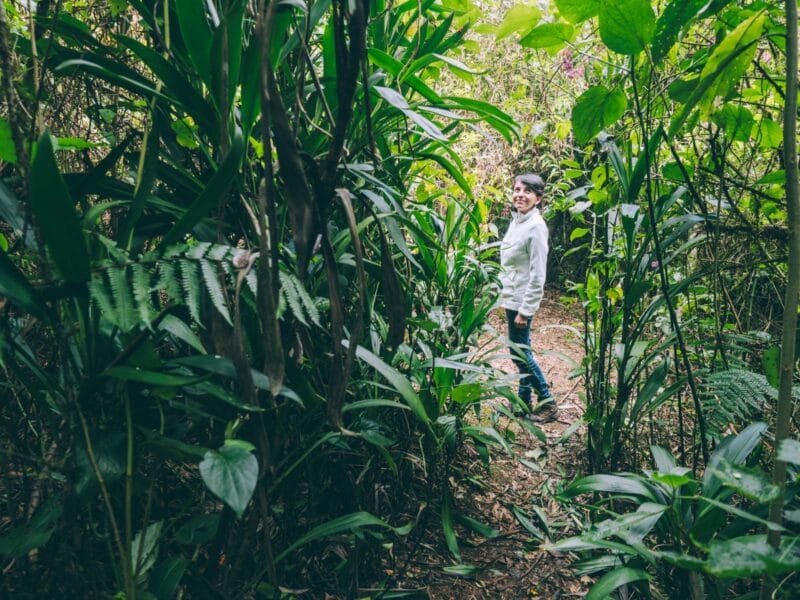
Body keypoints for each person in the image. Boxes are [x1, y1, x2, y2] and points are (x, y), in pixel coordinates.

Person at [499, 173, 557, 422]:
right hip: (511, 296)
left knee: (520, 355)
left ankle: (548, 403)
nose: (520, 195)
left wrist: (526, 309)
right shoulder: (518, 220)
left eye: (527, 191)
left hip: (521, 300)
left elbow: (537, 274)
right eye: (517, 189)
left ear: (538, 198)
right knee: (522, 349)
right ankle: (523, 401)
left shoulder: (535, 227)